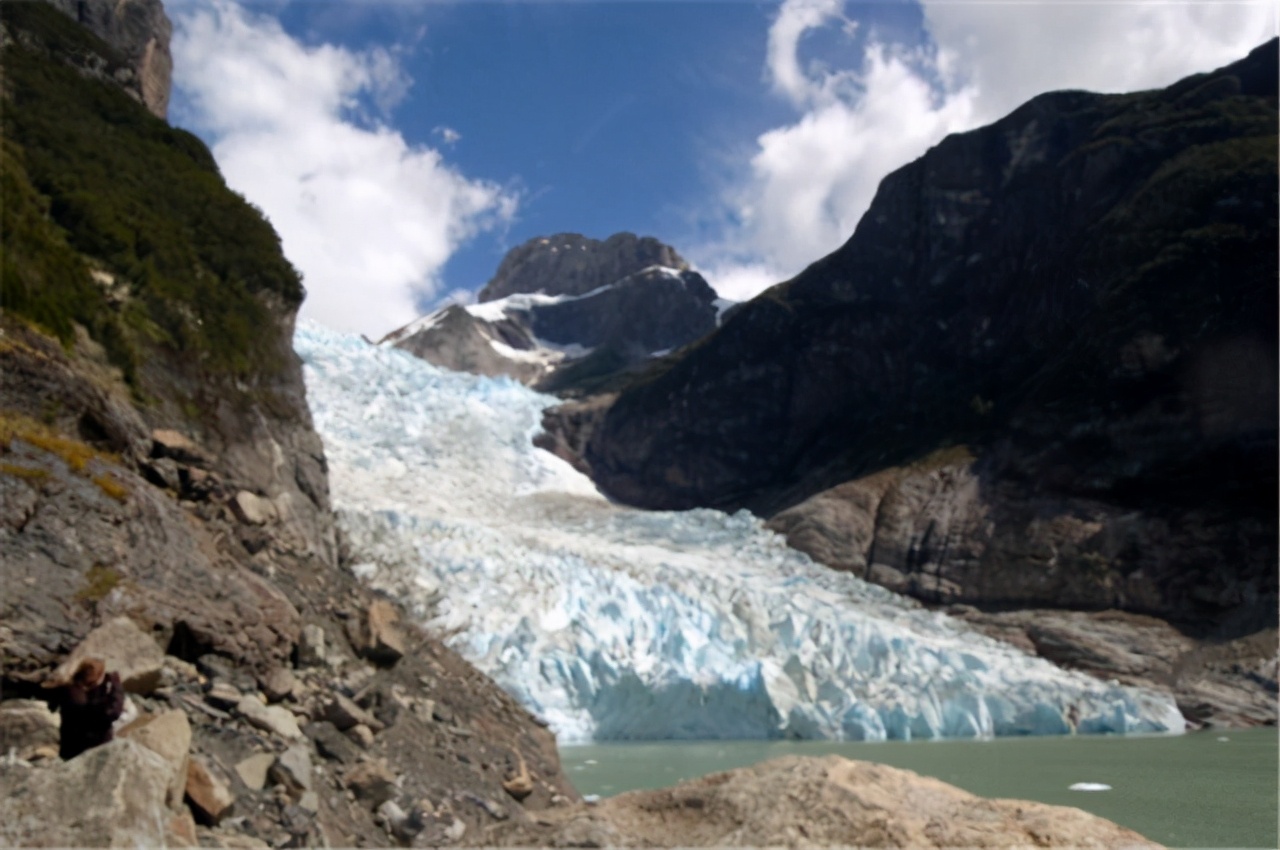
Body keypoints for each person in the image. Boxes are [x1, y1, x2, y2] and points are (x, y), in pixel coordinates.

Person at [43, 658, 125, 760]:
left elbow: (52, 705)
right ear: (98, 677)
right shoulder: (80, 699)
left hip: (69, 749)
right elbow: (113, 712)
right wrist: (116, 685)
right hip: (90, 753)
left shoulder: (69, 689)